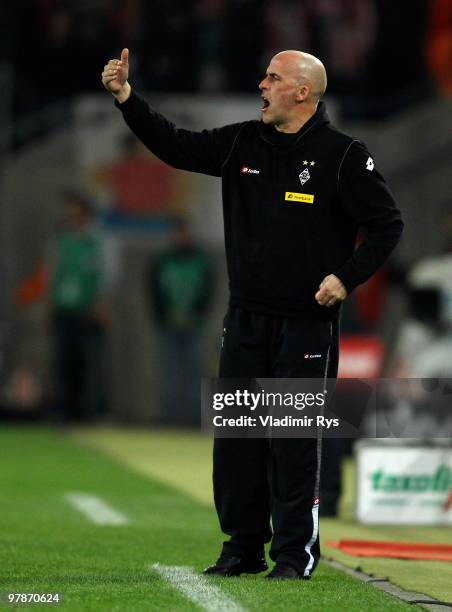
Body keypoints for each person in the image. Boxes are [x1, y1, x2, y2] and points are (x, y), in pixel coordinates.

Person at [101, 48, 403, 579]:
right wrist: (127, 97)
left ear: (302, 92)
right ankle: (241, 547)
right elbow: (177, 146)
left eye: (273, 77)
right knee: (237, 442)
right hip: (244, 321)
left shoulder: (344, 155)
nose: (261, 84)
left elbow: (387, 225)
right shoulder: (242, 141)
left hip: (305, 326)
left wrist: (346, 278)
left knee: (292, 442)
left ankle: (293, 555)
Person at [147, 216, 213, 425]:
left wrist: (197, 312)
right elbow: (153, 288)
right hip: (168, 324)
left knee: (195, 371)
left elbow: (207, 289)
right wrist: (161, 313)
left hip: (193, 324)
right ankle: (169, 416)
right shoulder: (162, 259)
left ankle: (195, 417)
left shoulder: (200, 259)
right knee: (169, 372)